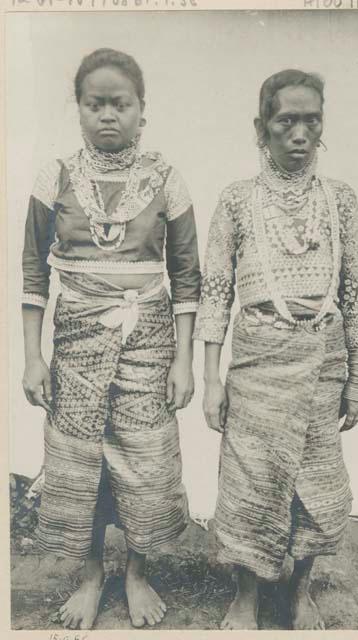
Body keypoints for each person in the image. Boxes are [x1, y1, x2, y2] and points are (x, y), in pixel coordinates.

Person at [21, 48, 200, 630]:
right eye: (95, 104)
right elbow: (33, 273)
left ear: (141, 112)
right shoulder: (56, 175)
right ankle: (93, 574)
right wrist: (32, 357)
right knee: (83, 460)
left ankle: (137, 571)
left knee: (144, 459)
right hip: (75, 339)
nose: (108, 115)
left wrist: (183, 361)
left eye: (120, 104)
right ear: (78, 109)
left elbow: (187, 276)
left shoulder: (168, 178)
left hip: (148, 336)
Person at [194, 69, 358, 630]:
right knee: (252, 481)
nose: (299, 133)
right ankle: (246, 596)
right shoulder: (237, 201)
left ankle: (300, 592)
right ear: (261, 128)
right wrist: (212, 378)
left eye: (311, 120)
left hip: (323, 360)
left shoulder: (340, 200)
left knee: (317, 482)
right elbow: (216, 292)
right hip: (257, 362)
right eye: (285, 120)